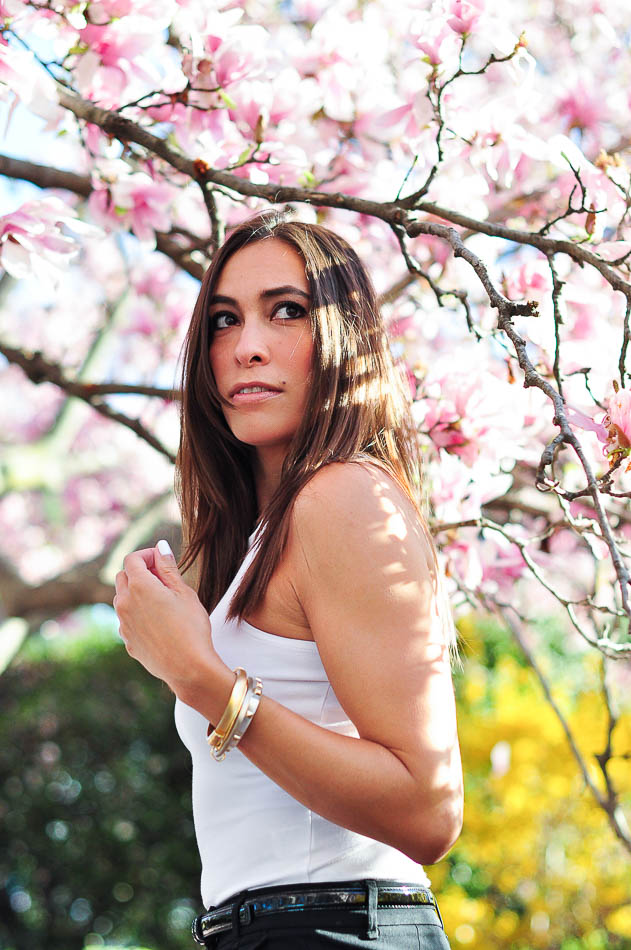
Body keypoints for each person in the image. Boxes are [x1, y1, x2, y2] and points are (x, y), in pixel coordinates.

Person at [113, 211, 463, 949]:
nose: (245, 347)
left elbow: (428, 813)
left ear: (345, 340)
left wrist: (200, 678)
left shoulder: (341, 496)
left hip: (335, 924)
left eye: (287, 312)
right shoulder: (259, 538)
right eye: (222, 320)